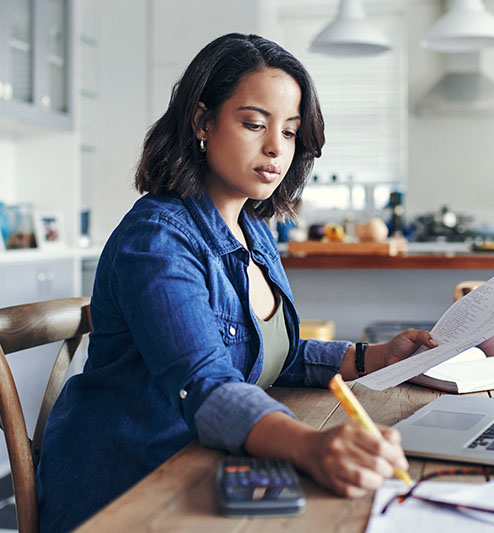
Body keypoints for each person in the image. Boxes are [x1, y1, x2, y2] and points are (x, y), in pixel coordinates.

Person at [36, 33, 436, 530]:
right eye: (254, 124)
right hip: (132, 489)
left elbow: (273, 353)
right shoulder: (157, 240)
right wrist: (310, 445)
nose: (275, 148)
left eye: (290, 132)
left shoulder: (254, 229)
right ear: (202, 121)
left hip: (205, 466)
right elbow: (207, 383)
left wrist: (374, 358)